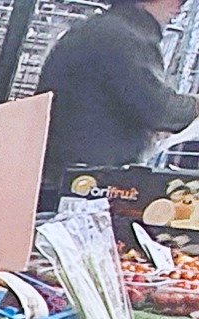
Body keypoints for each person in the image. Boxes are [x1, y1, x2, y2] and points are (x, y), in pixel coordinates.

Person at [37, 0, 199, 199]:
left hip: (65, 171)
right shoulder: (123, 36)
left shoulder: (103, 29)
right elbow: (159, 108)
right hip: (87, 179)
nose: (178, 7)